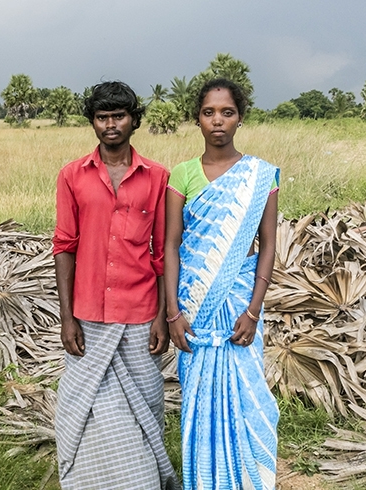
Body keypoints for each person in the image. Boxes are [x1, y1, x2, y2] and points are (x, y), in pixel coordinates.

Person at [53, 81, 179, 490]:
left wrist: (162, 316)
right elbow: (65, 246)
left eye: (119, 116)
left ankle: (142, 480)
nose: (111, 125)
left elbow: (162, 252)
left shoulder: (158, 177)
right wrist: (67, 317)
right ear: (92, 121)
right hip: (88, 315)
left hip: (140, 314)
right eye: (102, 117)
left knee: (143, 407)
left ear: (134, 120)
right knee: (86, 407)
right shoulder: (72, 175)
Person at [164, 78, 280, 490]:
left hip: (239, 307)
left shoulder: (260, 176)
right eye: (209, 112)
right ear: (197, 119)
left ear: (240, 119)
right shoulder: (182, 174)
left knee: (249, 399)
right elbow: (171, 245)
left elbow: (267, 246)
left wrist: (253, 310)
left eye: (227, 112)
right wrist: (173, 312)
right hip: (193, 309)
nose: (218, 120)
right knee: (197, 403)